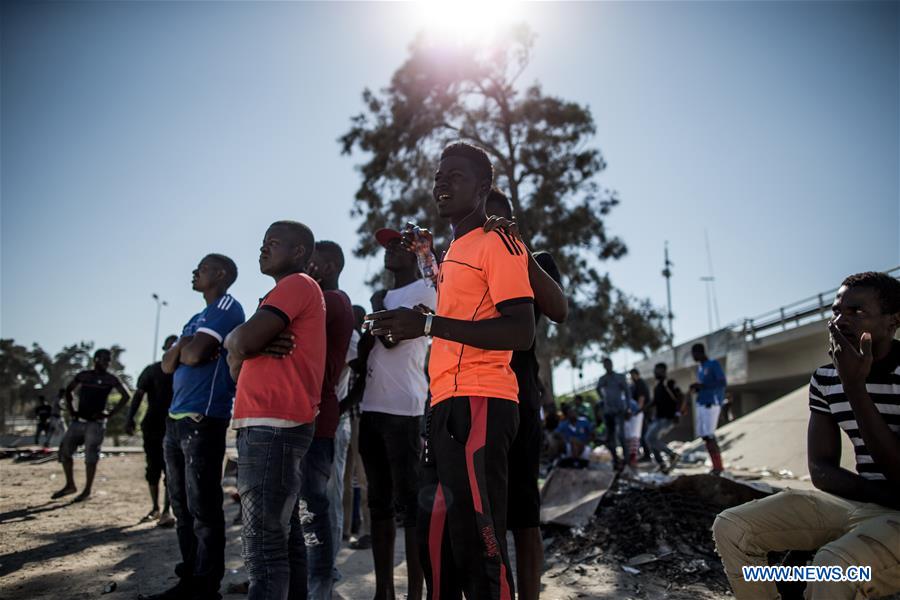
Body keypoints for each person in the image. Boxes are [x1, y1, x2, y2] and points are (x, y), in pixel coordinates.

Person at [367, 142, 535, 599]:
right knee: (436, 542)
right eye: (439, 176)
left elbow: (521, 331)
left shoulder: (498, 241)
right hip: (441, 405)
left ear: (483, 188)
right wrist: (424, 255)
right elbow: (451, 299)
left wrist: (424, 323)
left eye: (455, 176)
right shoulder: (457, 249)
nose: (442, 183)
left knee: (482, 547)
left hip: (482, 401)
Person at [713, 271, 900, 599]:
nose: (841, 321)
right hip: (864, 503)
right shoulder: (827, 379)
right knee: (732, 528)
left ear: (892, 321)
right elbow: (821, 470)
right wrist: (879, 496)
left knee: (832, 569)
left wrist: (856, 387)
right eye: (836, 311)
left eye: (857, 312)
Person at [223, 220, 325, 600]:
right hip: (269, 425)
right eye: (263, 243)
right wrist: (244, 346)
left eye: (273, 243)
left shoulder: (297, 285)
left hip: (273, 426)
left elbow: (241, 342)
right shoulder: (278, 294)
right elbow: (235, 357)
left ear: (298, 252)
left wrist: (246, 344)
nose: (263, 249)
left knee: (263, 547)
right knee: (283, 539)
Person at [484, 187, 567, 600]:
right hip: (477, 401)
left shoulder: (534, 262)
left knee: (524, 516)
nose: (490, 228)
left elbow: (559, 309)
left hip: (520, 400)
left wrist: (516, 247)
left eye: (497, 219)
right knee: (487, 520)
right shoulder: (468, 265)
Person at [145, 253, 244, 600]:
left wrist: (185, 347)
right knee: (181, 505)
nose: (194, 272)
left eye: (201, 268)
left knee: (203, 506)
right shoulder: (196, 317)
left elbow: (194, 354)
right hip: (175, 420)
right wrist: (182, 347)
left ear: (219, 274)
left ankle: (206, 584)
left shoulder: (227, 307)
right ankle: (188, 578)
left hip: (203, 419)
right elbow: (169, 363)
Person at [359, 226, 436, 600]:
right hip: (371, 406)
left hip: (404, 408)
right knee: (379, 504)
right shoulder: (383, 294)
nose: (389, 251)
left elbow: (391, 338)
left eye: (398, 246)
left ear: (415, 253)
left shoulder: (424, 289)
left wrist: (375, 313)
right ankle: (383, 592)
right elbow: (376, 334)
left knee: (410, 505)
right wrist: (377, 313)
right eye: (386, 246)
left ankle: (415, 594)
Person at [300, 239, 354, 599]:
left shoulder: (333, 302)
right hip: (307, 417)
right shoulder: (317, 302)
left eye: (312, 262)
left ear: (330, 266)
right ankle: (309, 578)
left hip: (323, 419)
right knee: (307, 507)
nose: (306, 268)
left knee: (318, 506)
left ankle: (322, 578)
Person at [52, 349, 131, 502]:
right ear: (95, 360)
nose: (107, 363)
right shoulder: (84, 375)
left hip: (96, 424)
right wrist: (72, 410)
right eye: (104, 360)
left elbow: (126, 395)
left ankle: (87, 490)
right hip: (79, 421)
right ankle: (70, 484)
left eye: (108, 360)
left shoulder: (110, 379)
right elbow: (68, 390)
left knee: (91, 457)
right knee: (65, 452)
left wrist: (110, 413)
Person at [126, 334, 179, 526]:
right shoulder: (152, 371)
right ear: (165, 350)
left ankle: (166, 510)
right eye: (170, 346)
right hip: (152, 426)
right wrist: (130, 417)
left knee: (171, 469)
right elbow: (138, 395)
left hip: (174, 426)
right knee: (153, 467)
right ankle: (155, 507)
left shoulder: (184, 371)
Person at [689, 342, 726, 474]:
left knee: (710, 435)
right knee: (704, 436)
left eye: (693, 354)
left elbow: (722, 382)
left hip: (711, 403)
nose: (693, 357)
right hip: (701, 402)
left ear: (699, 352)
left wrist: (703, 386)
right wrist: (697, 387)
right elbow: (703, 385)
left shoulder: (713, 364)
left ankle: (718, 466)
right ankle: (714, 465)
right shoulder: (700, 368)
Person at [643, 363, 685, 473]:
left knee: (650, 438)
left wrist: (677, 414)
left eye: (658, 370)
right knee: (651, 439)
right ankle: (661, 464)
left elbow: (681, 397)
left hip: (668, 418)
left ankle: (672, 455)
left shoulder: (669, 383)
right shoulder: (657, 386)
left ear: (664, 371)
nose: (656, 373)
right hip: (658, 418)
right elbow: (655, 402)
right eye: (655, 370)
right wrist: (641, 409)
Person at [595, 358, 629, 469]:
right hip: (608, 411)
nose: (607, 366)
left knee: (621, 435)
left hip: (619, 409)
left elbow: (627, 392)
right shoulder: (603, 379)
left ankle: (626, 460)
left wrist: (627, 407)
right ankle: (615, 460)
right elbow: (598, 389)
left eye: (608, 364)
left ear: (611, 364)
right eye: (605, 364)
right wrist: (604, 399)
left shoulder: (619, 377)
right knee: (611, 437)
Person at [623, 369, 647, 468]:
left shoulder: (640, 383)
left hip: (636, 413)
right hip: (630, 413)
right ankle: (630, 456)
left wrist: (637, 411)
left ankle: (633, 457)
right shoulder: (631, 385)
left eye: (633, 375)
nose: (632, 377)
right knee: (628, 436)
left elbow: (641, 398)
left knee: (635, 436)